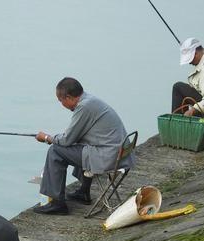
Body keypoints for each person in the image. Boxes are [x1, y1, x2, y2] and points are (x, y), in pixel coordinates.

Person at [33, 77, 134, 215]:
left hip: (108, 156)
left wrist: (46, 138)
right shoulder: (90, 100)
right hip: (118, 152)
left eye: (61, 101)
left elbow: (67, 140)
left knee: (55, 151)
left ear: (68, 97)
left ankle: (57, 203)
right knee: (79, 144)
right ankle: (83, 192)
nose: (62, 104)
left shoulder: (83, 107)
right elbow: (73, 136)